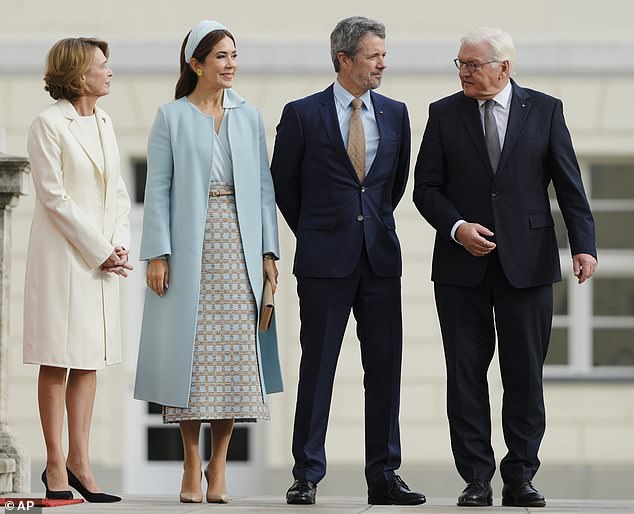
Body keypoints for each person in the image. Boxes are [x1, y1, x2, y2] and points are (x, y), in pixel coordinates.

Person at [413, 27, 597, 508]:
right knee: (465, 374)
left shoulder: (545, 110)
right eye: (460, 64)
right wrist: (456, 227)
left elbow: (569, 183)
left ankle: (520, 476)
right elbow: (426, 188)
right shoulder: (443, 113)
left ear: (504, 68)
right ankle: (476, 478)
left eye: (472, 65)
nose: (464, 73)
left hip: (529, 264)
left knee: (524, 375)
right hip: (460, 267)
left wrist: (585, 246)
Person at [271, 16, 425, 507]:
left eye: (384, 54)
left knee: (385, 369)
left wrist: (367, 224)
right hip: (323, 263)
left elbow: (393, 185)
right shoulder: (301, 114)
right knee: (318, 368)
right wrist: (316, 233)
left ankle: (383, 476)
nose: (383, 63)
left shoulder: (398, 114)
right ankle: (307, 474)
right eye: (374, 55)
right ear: (345, 60)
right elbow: (285, 187)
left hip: (380, 260)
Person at [133, 20, 283, 504]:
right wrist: (157, 253)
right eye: (221, 56)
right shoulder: (171, 116)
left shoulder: (248, 115)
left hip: (239, 245)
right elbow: (157, 189)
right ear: (195, 63)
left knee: (235, 360)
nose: (231, 64)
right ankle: (191, 463)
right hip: (187, 246)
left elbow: (263, 190)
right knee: (190, 360)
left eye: (234, 55)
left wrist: (268, 254)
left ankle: (219, 464)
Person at [24, 37, 132, 503]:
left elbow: (119, 193)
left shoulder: (105, 121)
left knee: (89, 359)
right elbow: (54, 198)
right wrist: (99, 248)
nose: (110, 72)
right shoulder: (48, 124)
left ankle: (80, 463)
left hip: (102, 259)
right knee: (58, 356)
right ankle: (53, 466)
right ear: (78, 74)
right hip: (64, 260)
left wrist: (119, 245)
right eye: (102, 65)